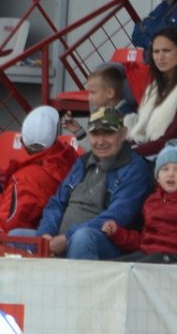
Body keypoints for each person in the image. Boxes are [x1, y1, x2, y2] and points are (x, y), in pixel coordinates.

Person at [11, 107, 151, 260]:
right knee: (15, 236)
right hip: (61, 238)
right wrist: (46, 234)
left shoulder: (134, 168)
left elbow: (117, 216)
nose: (100, 141)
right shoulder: (82, 162)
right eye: (95, 134)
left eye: (108, 133)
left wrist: (67, 238)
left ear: (123, 134)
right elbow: (57, 203)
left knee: (82, 238)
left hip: (105, 243)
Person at [0, 107, 76, 236]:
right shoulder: (68, 157)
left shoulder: (26, 178)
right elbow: (19, 199)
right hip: (58, 234)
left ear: (23, 142)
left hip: (31, 242)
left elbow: (10, 227)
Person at [102, 141, 177, 263]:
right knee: (114, 267)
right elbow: (143, 239)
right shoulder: (151, 202)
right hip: (148, 253)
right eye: (165, 169)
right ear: (158, 177)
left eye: (176, 170)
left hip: (171, 257)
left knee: (141, 266)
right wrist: (117, 233)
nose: (171, 174)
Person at [126, 27, 177, 157]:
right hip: (148, 153)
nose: (160, 57)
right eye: (156, 51)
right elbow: (142, 132)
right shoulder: (153, 88)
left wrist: (129, 154)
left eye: (166, 51)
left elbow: (171, 138)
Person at [61, 63, 135, 146]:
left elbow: (101, 151)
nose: (89, 98)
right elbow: (97, 150)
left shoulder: (127, 120)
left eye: (93, 92)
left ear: (110, 93)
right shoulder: (104, 115)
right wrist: (77, 131)